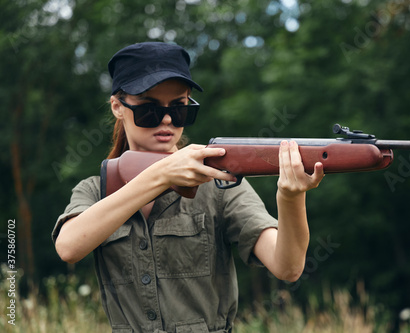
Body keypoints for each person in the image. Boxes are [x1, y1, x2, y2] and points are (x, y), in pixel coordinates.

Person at [53, 42, 324, 333]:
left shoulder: (219, 183)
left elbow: (288, 267)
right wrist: (162, 175)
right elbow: (68, 247)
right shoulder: (95, 190)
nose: (167, 120)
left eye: (180, 109)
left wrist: (291, 197)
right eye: (149, 110)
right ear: (118, 107)